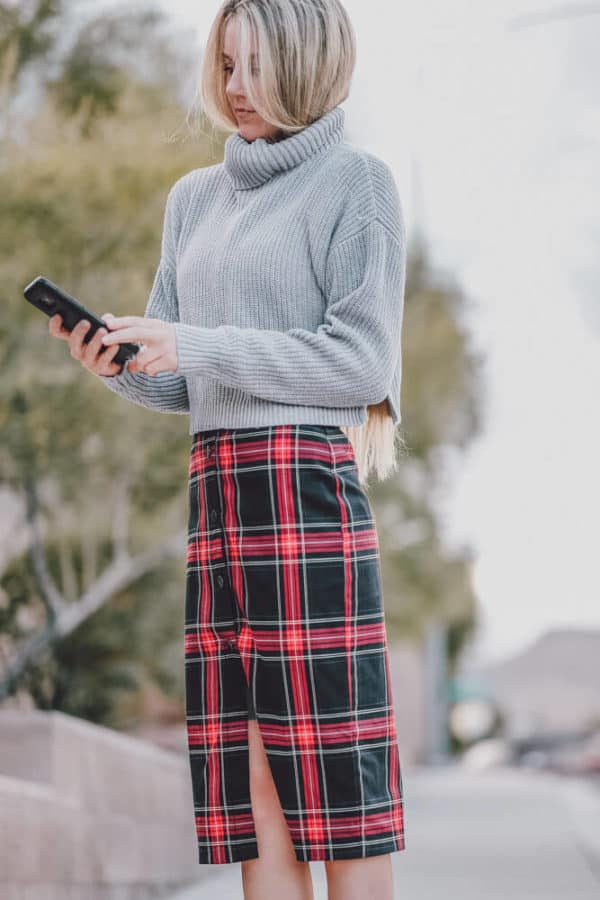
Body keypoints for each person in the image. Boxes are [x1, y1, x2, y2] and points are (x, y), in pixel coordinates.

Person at [49, 1, 407, 897]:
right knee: (251, 799)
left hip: (306, 495)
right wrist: (116, 364)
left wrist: (196, 343)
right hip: (217, 493)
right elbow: (184, 381)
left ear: (309, 65)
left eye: (255, 66)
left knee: (339, 801)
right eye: (226, 63)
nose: (234, 87)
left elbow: (363, 360)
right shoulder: (193, 199)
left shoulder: (356, 185)